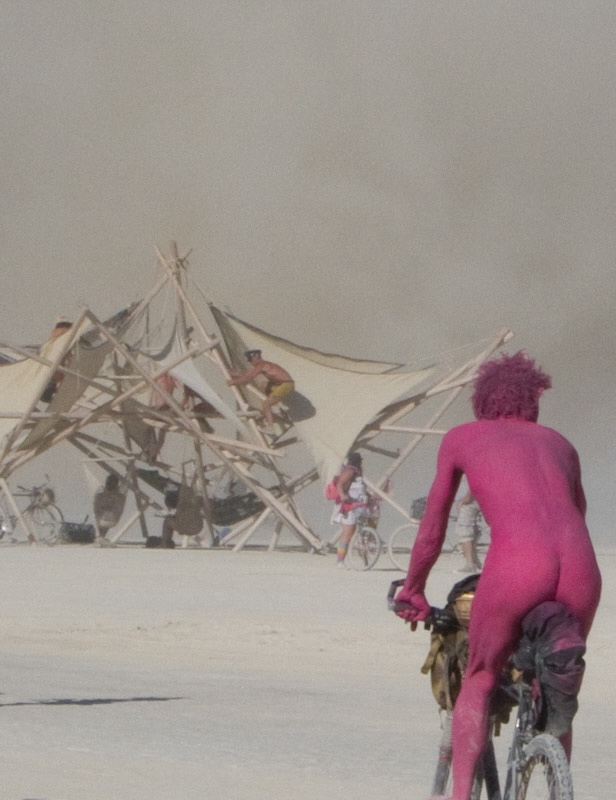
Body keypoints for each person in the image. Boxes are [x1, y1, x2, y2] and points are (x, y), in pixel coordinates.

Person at [393, 351, 601, 800]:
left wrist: (413, 589)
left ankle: (461, 794)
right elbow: (578, 513)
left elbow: (433, 527)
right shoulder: (560, 443)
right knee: (558, 687)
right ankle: (559, 780)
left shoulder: (462, 437)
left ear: (482, 400)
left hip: (518, 565)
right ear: (532, 400)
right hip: (582, 567)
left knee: (481, 676)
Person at [227, 350, 294, 433]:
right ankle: (276, 408)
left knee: (266, 404)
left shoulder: (261, 365)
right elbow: (247, 375)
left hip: (285, 385)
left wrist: (234, 382)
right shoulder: (262, 365)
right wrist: (235, 373)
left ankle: (270, 428)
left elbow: (248, 378)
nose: (251, 363)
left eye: (251, 360)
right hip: (280, 384)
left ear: (255, 357)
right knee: (264, 385)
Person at [330, 451, 368, 568]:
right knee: (347, 534)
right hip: (349, 506)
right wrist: (343, 496)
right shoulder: (350, 471)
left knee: (353, 532)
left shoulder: (357, 472)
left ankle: (363, 558)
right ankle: (340, 561)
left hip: (358, 505)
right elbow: (340, 484)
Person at [454, 489, 483, 573]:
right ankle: (475, 562)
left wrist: (465, 500)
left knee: (464, 532)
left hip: (471, 501)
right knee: (473, 530)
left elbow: (473, 483)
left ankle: (470, 564)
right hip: (481, 498)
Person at [93, 474, 126, 546]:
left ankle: (101, 537)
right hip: (102, 515)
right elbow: (97, 504)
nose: (109, 484)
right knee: (105, 517)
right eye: (108, 482)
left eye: (111, 483)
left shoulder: (119, 494)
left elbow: (119, 503)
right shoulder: (101, 492)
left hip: (111, 515)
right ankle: (101, 537)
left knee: (107, 516)